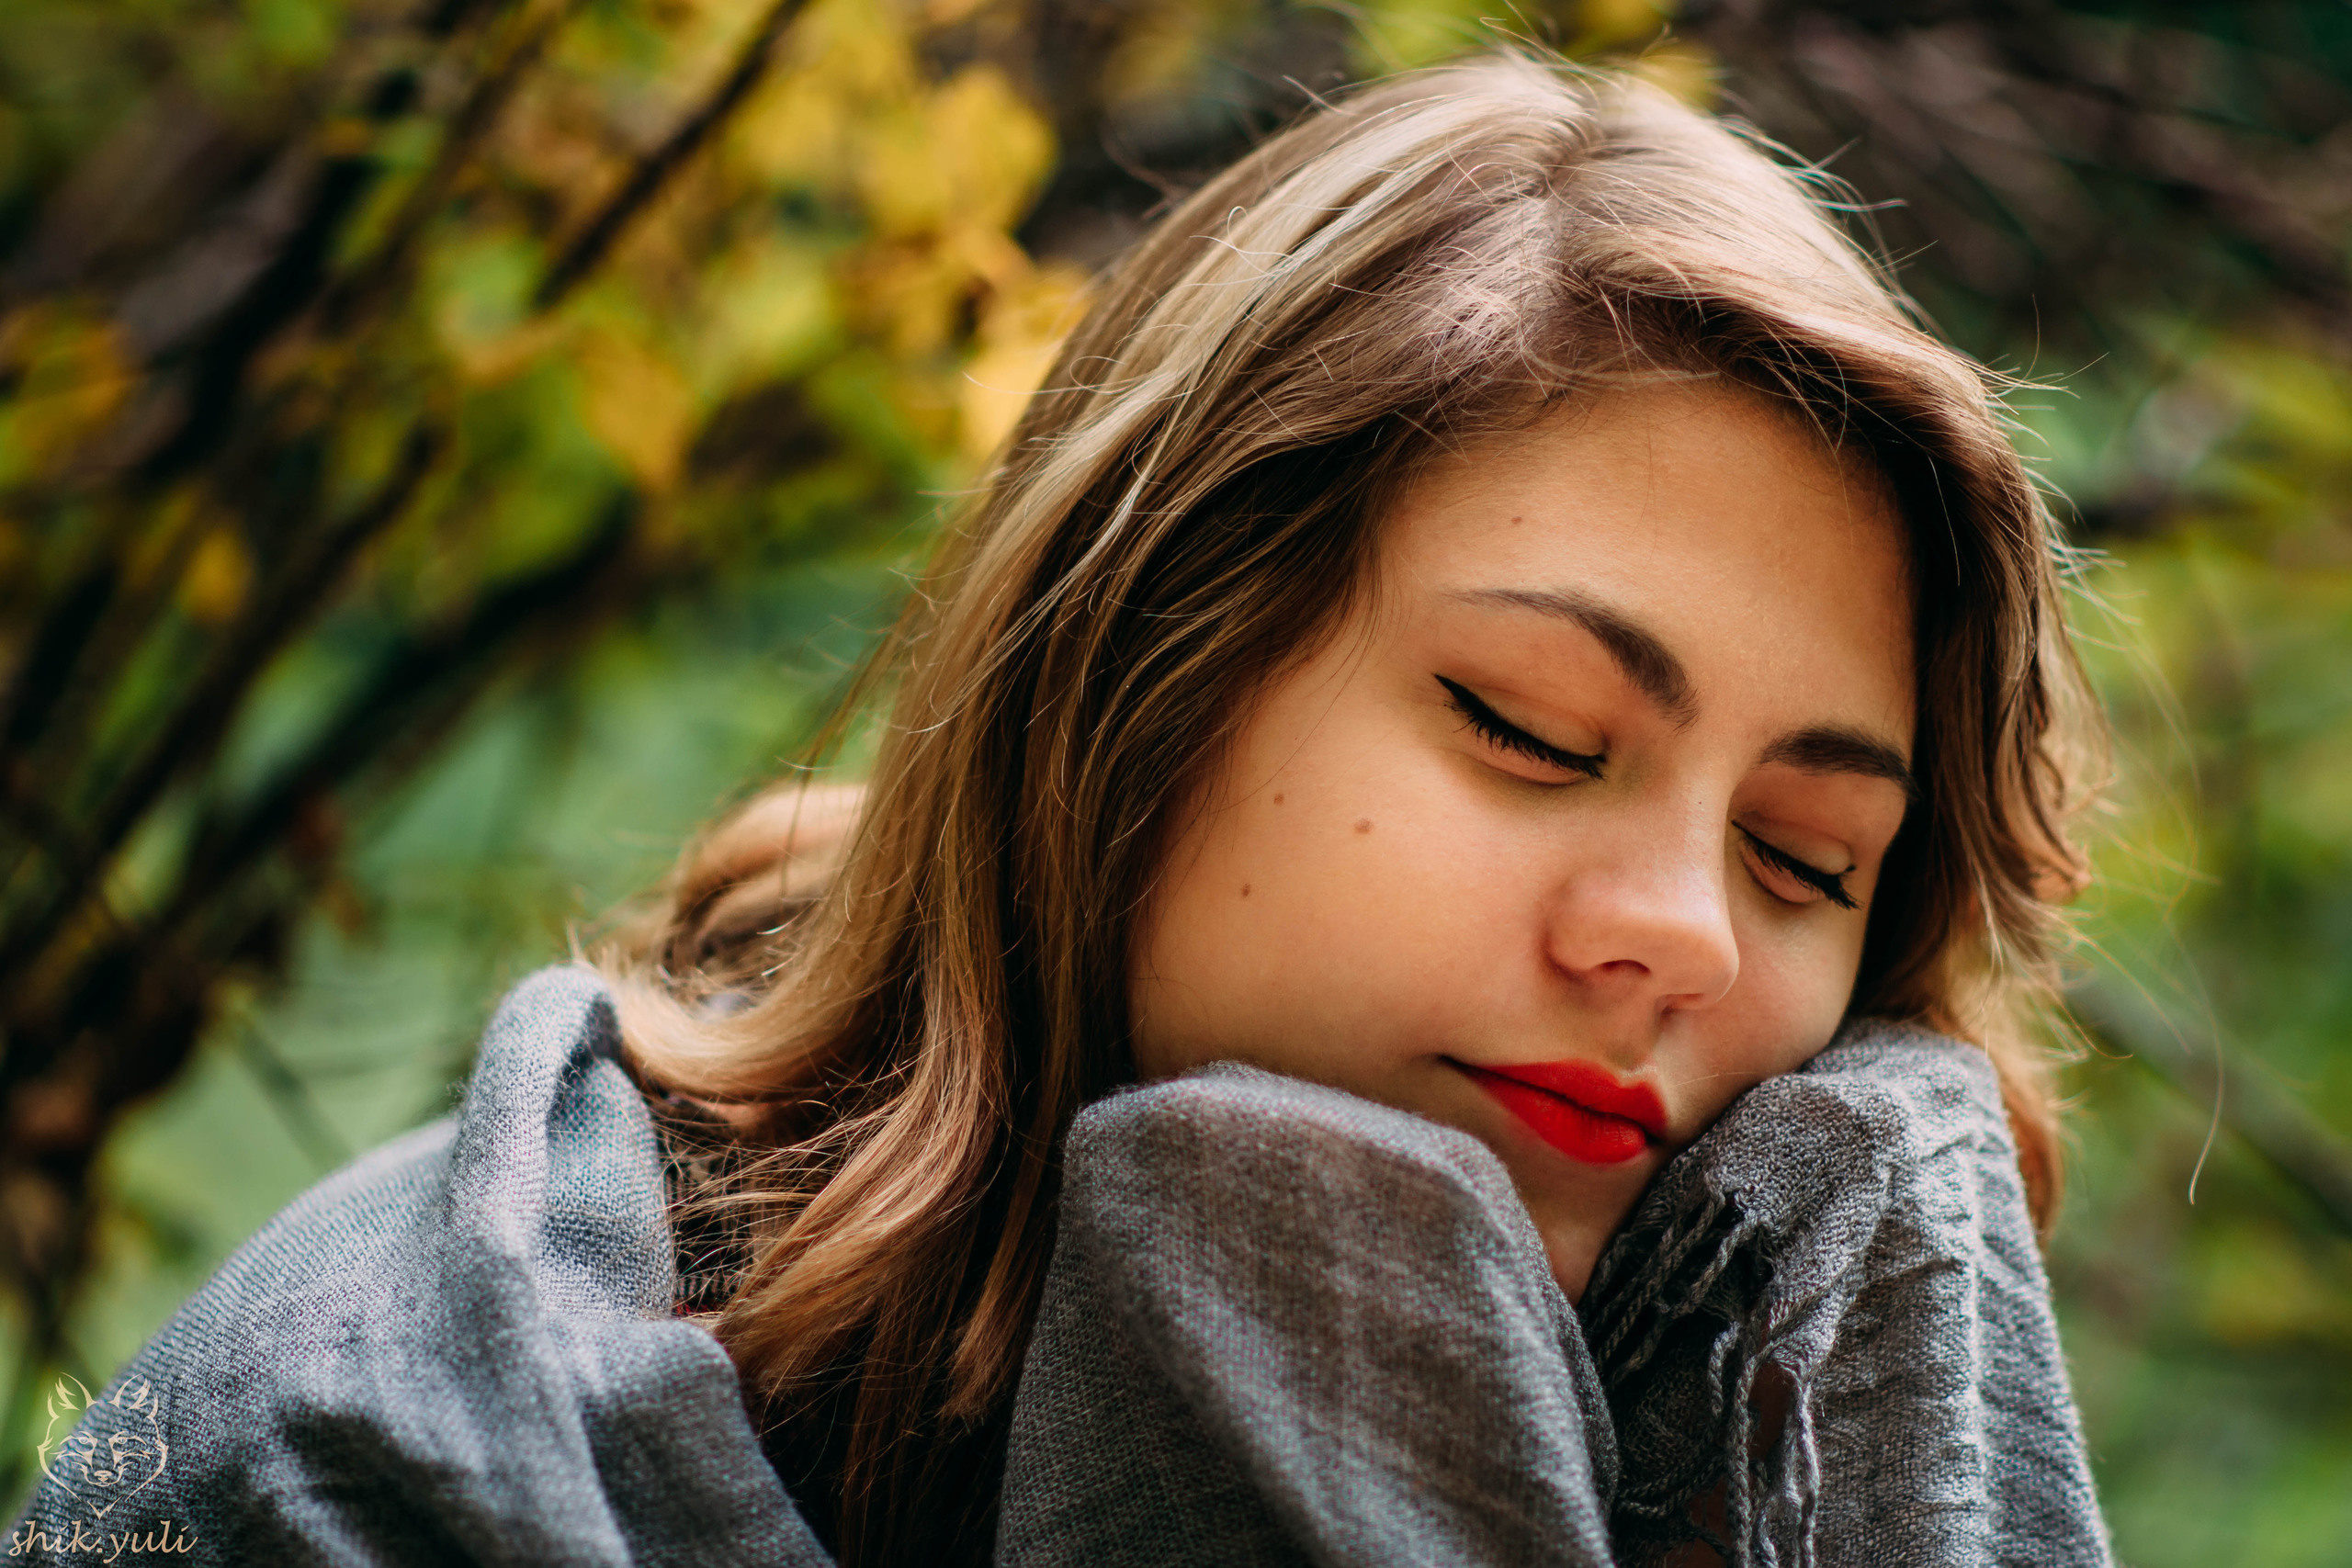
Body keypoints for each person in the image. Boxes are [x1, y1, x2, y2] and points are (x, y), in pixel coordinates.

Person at [9, 51, 2114, 1568]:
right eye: (1527, 728)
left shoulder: (1766, 1355)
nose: (1686, 929)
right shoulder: (359, 1442)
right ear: (1135, 667)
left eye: (1803, 856)